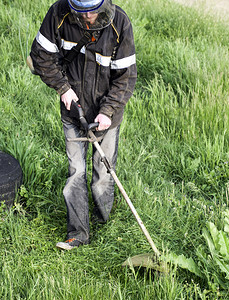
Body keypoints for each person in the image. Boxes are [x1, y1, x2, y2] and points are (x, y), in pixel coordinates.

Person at [29, 0, 137, 250]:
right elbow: (41, 57)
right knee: (76, 171)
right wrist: (63, 88)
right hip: (73, 110)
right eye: (83, 12)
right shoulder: (58, 14)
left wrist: (108, 112)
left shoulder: (120, 23)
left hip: (106, 116)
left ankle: (105, 221)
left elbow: (126, 78)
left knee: (104, 170)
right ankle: (78, 233)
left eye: (93, 10)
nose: (89, 16)